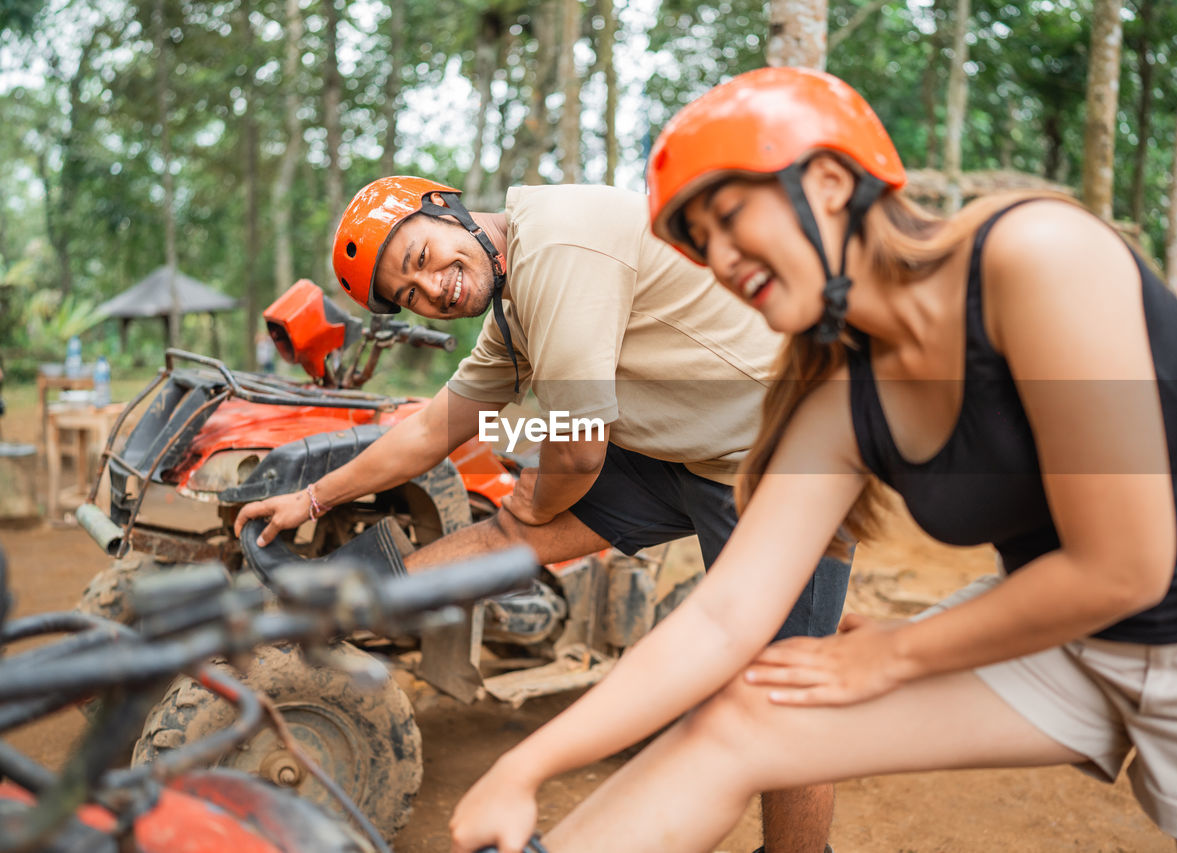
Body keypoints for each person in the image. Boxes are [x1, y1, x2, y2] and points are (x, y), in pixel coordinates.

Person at [447, 67, 1177, 853]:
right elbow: (723, 617)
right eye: (700, 242)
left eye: (729, 216)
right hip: (1067, 636)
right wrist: (524, 767)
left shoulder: (1036, 253)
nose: (723, 260)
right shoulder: (836, 397)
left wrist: (896, 651)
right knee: (743, 716)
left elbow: (1126, 567)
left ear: (831, 183)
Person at [234, 175, 852, 853]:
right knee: (510, 526)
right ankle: (346, 595)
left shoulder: (560, 242)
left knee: (779, 689)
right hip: (685, 451)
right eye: (411, 295)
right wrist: (313, 497)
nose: (434, 290)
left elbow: (578, 454)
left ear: (444, 206)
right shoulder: (514, 310)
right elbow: (430, 429)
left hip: (784, 452)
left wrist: (538, 491)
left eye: (420, 260)